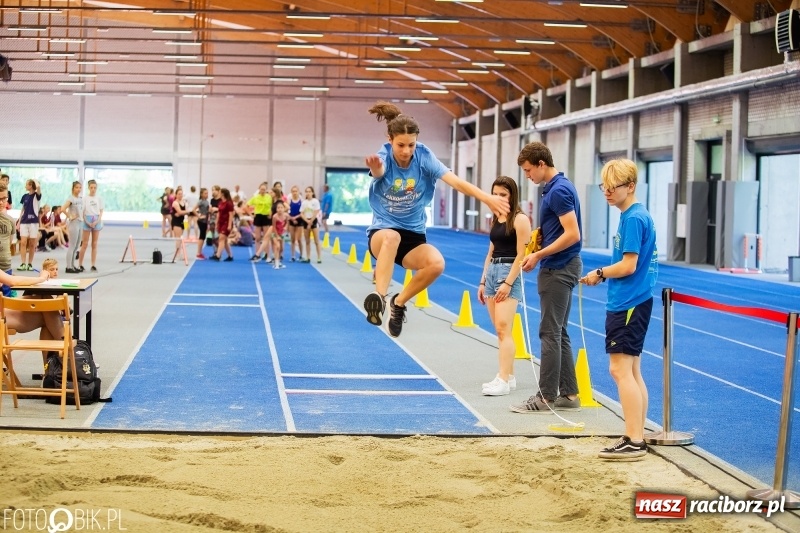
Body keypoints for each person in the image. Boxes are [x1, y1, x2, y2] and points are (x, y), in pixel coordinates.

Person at [362, 101, 509, 338]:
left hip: (413, 236)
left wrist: (487, 198)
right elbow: (378, 173)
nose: (406, 150)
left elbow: (456, 182)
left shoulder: (424, 157)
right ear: (390, 140)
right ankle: (379, 297)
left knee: (437, 264)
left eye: (411, 145)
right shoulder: (383, 157)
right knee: (392, 236)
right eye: (400, 145)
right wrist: (377, 169)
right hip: (383, 232)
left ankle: (398, 303)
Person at [581, 159, 658, 460]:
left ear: (631, 186)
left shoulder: (633, 219)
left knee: (619, 369)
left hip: (628, 302)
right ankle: (636, 432)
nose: (607, 192)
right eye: (605, 187)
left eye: (613, 187)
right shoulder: (633, 215)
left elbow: (629, 265)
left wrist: (599, 273)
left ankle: (635, 439)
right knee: (633, 370)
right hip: (633, 300)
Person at [511, 141, 583, 414]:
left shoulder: (558, 191)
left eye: (529, 171)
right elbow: (562, 228)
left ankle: (545, 397)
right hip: (562, 265)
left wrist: (539, 255)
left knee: (549, 333)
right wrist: (543, 234)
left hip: (558, 268)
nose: (527, 176)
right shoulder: (557, 188)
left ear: (542, 164)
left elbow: (573, 234)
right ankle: (570, 394)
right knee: (559, 332)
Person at [477, 176, 531, 396]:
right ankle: (509, 377)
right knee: (500, 331)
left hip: (508, 272)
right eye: (495, 194)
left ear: (512, 196)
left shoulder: (520, 220)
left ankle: (503, 378)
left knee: (503, 328)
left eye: (503, 195)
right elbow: (490, 251)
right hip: (492, 272)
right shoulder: (496, 218)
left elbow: (522, 254)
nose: (498, 198)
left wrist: (508, 283)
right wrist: (482, 281)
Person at [77, 179, 104, 273]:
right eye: (91, 187)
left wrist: (97, 221)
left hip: (96, 219)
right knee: (84, 244)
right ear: (88, 188)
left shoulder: (99, 198)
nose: (93, 189)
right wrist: (87, 222)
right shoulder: (85, 198)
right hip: (87, 219)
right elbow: (83, 211)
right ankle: (80, 264)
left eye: (95, 188)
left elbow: (101, 211)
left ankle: (93, 264)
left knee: (94, 243)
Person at [17, 179, 42, 272]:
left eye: (27, 184)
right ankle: (23, 263)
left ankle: (30, 263)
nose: (25, 186)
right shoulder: (24, 196)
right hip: (24, 222)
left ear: (31, 185)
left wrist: (34, 180)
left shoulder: (37, 196)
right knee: (23, 242)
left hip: (33, 223)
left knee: (32, 244)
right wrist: (19, 221)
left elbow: (38, 187)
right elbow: (22, 209)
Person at [248, 182, 273, 261]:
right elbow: (247, 205)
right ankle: (257, 254)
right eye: (261, 189)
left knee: (266, 237)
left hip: (266, 217)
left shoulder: (269, 197)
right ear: (259, 189)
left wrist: (270, 214)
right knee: (257, 238)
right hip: (258, 216)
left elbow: (273, 206)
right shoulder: (255, 197)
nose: (262, 191)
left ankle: (267, 254)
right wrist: (251, 214)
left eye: (264, 189)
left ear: (266, 190)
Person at [61, 181, 83, 273]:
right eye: (77, 187)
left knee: (77, 246)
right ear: (73, 188)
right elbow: (62, 209)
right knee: (72, 245)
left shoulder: (80, 199)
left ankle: (73, 265)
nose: (78, 189)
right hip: (73, 223)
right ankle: (68, 266)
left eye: (80, 187)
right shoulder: (71, 199)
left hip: (80, 222)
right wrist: (70, 216)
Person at [210, 188, 234, 261]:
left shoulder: (229, 203)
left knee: (221, 239)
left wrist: (229, 225)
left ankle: (218, 255)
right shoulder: (220, 203)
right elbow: (219, 213)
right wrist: (217, 223)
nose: (218, 194)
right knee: (225, 241)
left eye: (219, 192)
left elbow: (231, 215)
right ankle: (230, 256)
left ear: (222, 194)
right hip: (221, 222)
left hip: (226, 223)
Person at [299, 186, 322, 264]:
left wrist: (311, 221)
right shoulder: (304, 202)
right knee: (307, 241)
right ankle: (308, 257)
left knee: (316, 241)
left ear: (312, 193)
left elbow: (316, 211)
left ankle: (319, 257)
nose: (308, 193)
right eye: (307, 192)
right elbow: (301, 213)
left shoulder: (315, 201)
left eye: (309, 191)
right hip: (306, 221)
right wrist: (307, 221)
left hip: (313, 221)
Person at [287, 185, 304, 262]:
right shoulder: (289, 200)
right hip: (291, 220)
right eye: (293, 191)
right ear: (291, 192)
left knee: (299, 239)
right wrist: (292, 218)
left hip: (299, 220)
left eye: (296, 191)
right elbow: (287, 211)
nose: (294, 193)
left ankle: (301, 255)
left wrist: (296, 218)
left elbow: (302, 212)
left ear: (298, 192)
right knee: (292, 239)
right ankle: (293, 255)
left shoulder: (301, 200)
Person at [195, 187, 210, 260]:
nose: (207, 194)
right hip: (201, 221)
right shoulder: (200, 201)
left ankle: (200, 252)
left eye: (207, 193)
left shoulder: (206, 201)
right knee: (202, 236)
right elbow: (193, 209)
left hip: (205, 221)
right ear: (201, 194)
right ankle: (198, 253)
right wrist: (199, 215)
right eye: (205, 193)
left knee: (203, 237)